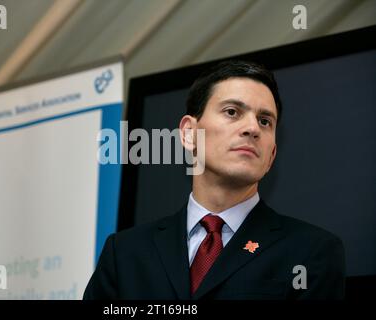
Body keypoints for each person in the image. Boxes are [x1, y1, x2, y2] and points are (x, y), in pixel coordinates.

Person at [83, 60, 345, 300]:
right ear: (188, 134)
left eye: (265, 121)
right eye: (232, 112)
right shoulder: (125, 253)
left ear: (271, 154)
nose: (252, 128)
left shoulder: (312, 252)